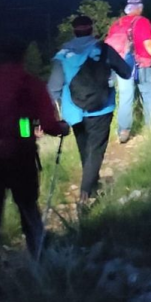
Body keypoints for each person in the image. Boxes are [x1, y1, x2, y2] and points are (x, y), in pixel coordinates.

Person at [0, 38, 69, 295]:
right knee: (28, 210)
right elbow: (49, 124)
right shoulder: (31, 85)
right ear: (22, 57)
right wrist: (59, 128)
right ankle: (42, 268)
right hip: (21, 156)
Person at [48, 14, 132, 203]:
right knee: (96, 149)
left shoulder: (63, 54)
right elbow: (126, 73)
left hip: (74, 111)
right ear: (92, 29)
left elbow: (53, 88)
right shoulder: (103, 49)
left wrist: (52, 112)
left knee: (85, 148)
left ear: (74, 31)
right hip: (102, 107)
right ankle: (86, 192)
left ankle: (91, 187)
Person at [105, 0, 151, 143]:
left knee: (125, 97)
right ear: (140, 8)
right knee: (149, 94)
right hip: (141, 63)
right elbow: (148, 43)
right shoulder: (142, 21)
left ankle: (123, 131)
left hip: (121, 65)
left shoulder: (117, 23)